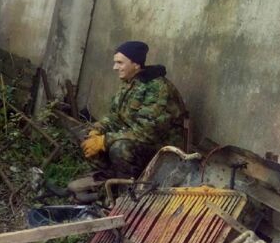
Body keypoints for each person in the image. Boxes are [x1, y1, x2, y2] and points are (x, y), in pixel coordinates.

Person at [56, 40, 188, 179]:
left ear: (136, 64)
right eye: (115, 62)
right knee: (88, 137)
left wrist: (104, 141)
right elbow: (115, 116)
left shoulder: (157, 89)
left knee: (119, 148)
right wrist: (98, 129)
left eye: (120, 63)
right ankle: (108, 182)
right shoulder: (130, 83)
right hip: (136, 138)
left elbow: (147, 133)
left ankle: (128, 192)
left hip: (162, 147)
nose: (114, 67)